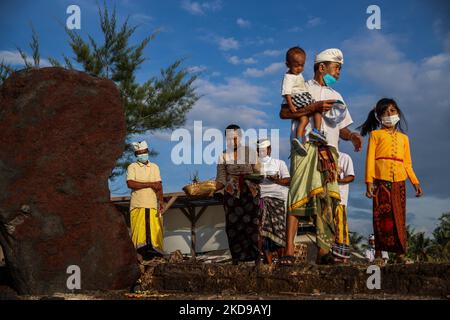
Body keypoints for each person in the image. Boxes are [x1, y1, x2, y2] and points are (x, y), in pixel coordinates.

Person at [279, 48, 363, 265]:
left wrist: (352, 136)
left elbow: (341, 129)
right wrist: (313, 107)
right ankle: (288, 250)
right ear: (322, 67)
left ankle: (323, 252)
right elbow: (284, 113)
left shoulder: (338, 96)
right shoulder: (301, 86)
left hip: (330, 150)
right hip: (305, 147)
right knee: (297, 194)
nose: (338, 73)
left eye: (340, 69)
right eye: (337, 68)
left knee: (327, 199)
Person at [358, 98, 423, 263]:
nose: (389, 115)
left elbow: (407, 163)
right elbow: (370, 159)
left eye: (392, 111)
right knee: (381, 216)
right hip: (381, 180)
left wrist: (415, 182)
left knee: (399, 217)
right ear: (379, 116)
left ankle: (400, 254)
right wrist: (369, 183)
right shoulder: (375, 135)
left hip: (399, 181)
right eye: (385, 112)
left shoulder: (404, 138)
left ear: (398, 113)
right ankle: (379, 254)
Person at [215, 124, 262, 265]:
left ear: (240, 137)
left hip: (250, 193)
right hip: (231, 195)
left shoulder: (250, 152)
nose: (232, 141)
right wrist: (210, 189)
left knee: (252, 225)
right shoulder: (222, 156)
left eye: (234, 138)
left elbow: (258, 172)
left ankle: (256, 258)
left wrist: (249, 177)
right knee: (233, 226)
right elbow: (221, 179)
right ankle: (237, 259)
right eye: (229, 139)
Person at [126, 140, 164, 260]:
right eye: (139, 153)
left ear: (147, 152)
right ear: (136, 155)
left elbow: (158, 186)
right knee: (139, 235)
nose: (142, 155)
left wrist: (161, 201)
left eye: (143, 152)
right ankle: (137, 257)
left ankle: (154, 257)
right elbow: (130, 183)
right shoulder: (132, 167)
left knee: (154, 234)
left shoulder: (155, 167)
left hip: (152, 205)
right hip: (138, 205)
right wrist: (150, 184)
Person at [281, 47, 323, 156]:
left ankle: (298, 138)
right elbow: (286, 92)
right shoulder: (288, 77)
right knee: (317, 109)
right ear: (288, 64)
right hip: (297, 98)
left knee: (304, 120)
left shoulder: (297, 74)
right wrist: (291, 105)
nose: (299, 68)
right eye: (296, 66)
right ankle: (316, 131)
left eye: (302, 65)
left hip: (301, 96)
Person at [256, 139, 291, 265]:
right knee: (263, 230)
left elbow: (288, 180)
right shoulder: (255, 165)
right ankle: (268, 261)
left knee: (279, 230)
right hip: (262, 198)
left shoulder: (279, 163)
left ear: (270, 150)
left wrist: (276, 180)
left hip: (278, 200)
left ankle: (281, 259)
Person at [332, 151, 355, 262]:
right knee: (329, 228)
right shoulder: (320, 155)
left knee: (341, 226)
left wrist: (338, 180)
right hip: (325, 199)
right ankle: (331, 255)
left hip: (340, 198)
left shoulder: (345, 157)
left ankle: (342, 256)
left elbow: (351, 177)